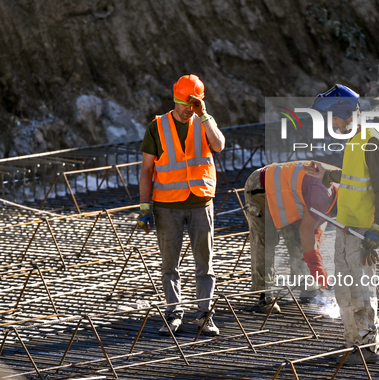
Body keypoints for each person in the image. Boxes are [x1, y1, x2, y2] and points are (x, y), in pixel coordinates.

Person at [308, 84, 379, 365]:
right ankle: (354, 345)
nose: (333, 124)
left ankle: (371, 349)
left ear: (347, 113)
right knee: (344, 289)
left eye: (334, 118)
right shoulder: (354, 140)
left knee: (362, 291)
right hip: (346, 228)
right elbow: (355, 179)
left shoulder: (371, 141)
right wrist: (330, 173)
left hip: (363, 232)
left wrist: (377, 230)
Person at [137, 74, 225, 337]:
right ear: (175, 100)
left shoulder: (204, 122)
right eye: (184, 104)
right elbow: (146, 170)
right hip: (167, 206)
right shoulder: (158, 127)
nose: (188, 109)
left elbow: (219, 145)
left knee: (205, 263)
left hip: (200, 203)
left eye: (193, 104)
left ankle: (204, 315)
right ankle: (174, 313)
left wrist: (205, 115)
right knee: (169, 265)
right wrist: (144, 207)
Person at [244, 160, 338, 313]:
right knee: (266, 241)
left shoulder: (342, 188)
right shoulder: (322, 195)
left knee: (300, 241)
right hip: (261, 186)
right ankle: (265, 295)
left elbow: (314, 231)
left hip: (291, 194)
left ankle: (307, 286)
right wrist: (317, 267)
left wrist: (315, 262)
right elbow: (306, 230)